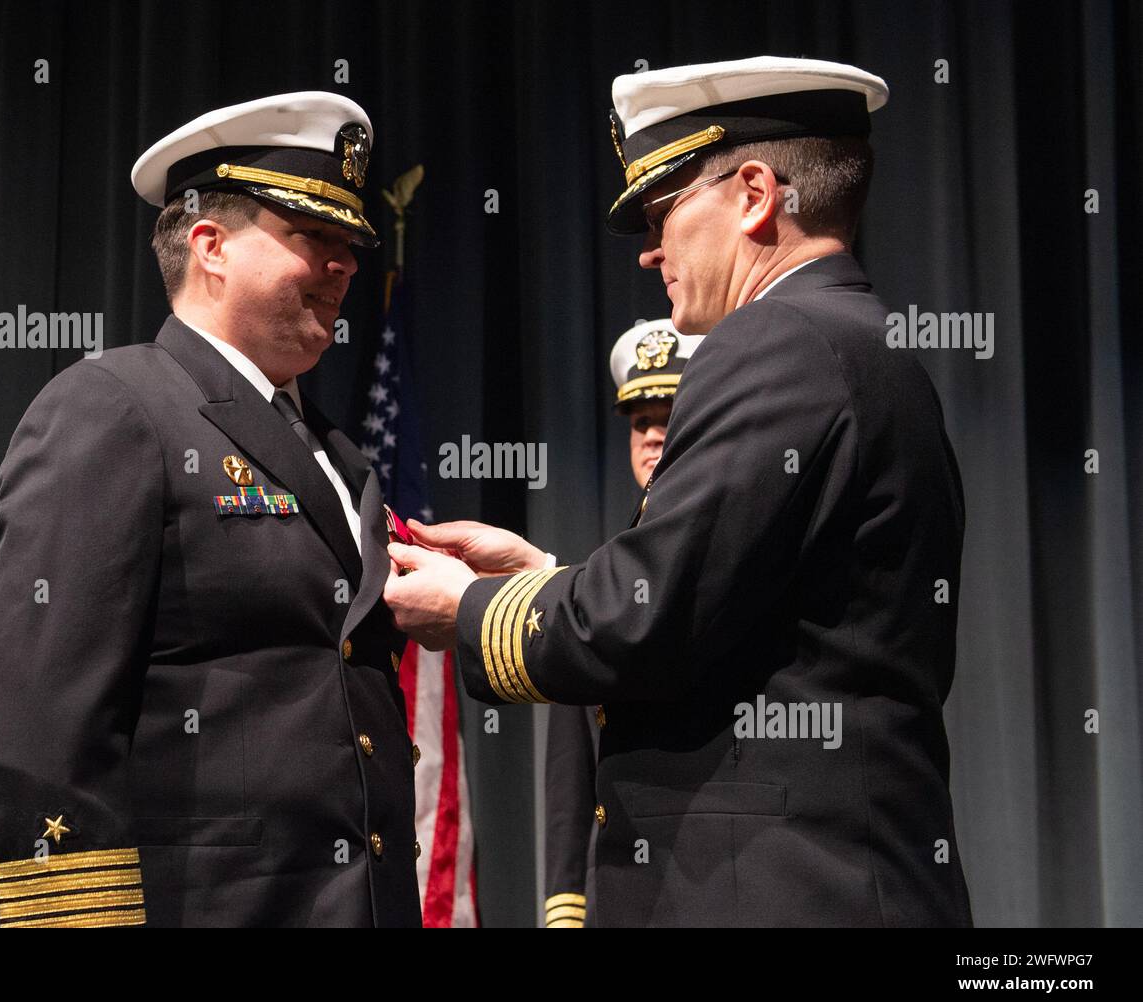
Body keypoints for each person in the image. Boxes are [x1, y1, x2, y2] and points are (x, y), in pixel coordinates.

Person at [385, 57, 973, 927]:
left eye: (662, 211)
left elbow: (645, 621)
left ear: (752, 194)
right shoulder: (862, 343)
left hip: (774, 892)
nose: (652, 249)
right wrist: (542, 572)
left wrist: (471, 608)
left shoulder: (774, 344)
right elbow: (733, 603)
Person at [0, 93, 422, 928]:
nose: (346, 265)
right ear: (210, 247)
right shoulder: (113, 406)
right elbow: (42, 711)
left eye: (351, 245)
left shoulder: (336, 455)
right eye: (313, 237)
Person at [544, 319, 701, 929]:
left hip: (711, 879)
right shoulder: (597, 580)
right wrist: (565, 906)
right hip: (619, 894)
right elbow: (571, 767)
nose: (653, 436)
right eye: (640, 423)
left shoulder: (734, 551)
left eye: (670, 415)